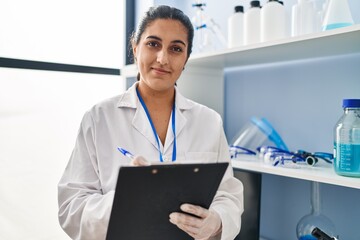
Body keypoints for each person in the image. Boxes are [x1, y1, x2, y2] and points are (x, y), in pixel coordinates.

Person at [58, 5, 244, 240]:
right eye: (153, 44)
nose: (163, 59)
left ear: (186, 58)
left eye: (176, 49)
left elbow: (228, 195)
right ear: (135, 48)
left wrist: (217, 223)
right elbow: (70, 208)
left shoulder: (209, 121)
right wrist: (126, 198)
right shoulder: (99, 118)